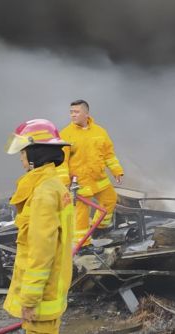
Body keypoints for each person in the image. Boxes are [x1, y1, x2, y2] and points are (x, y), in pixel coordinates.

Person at [3, 119, 74, 334]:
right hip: (52, 287)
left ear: (36, 154)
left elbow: (41, 250)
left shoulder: (43, 192)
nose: (21, 158)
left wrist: (30, 298)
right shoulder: (55, 186)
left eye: (24, 152)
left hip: (42, 295)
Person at [58, 99, 124, 247]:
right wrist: (65, 183)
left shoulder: (100, 131)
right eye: (71, 112)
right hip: (79, 182)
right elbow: (61, 161)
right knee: (81, 214)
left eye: (76, 112)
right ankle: (83, 244)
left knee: (110, 199)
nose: (72, 115)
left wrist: (116, 170)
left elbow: (109, 154)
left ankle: (99, 228)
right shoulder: (65, 134)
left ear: (86, 113)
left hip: (99, 178)